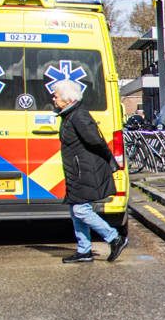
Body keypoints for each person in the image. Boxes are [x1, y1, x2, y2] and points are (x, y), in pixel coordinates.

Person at [50, 79, 126, 264]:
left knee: (80, 209)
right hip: (77, 171)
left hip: (84, 171)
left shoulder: (78, 116)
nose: (53, 98)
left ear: (67, 99)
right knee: (75, 210)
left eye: (56, 95)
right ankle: (84, 250)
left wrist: (109, 161)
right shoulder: (69, 115)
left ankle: (114, 237)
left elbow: (96, 141)